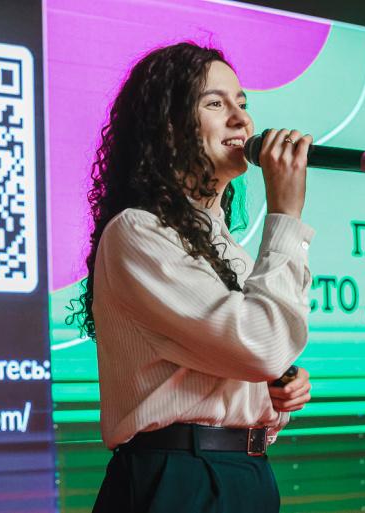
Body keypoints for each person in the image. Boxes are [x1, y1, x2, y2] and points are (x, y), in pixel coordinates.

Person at [69, 42, 315, 512]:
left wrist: (272, 392)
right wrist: (285, 215)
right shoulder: (138, 231)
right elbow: (260, 345)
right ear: (168, 126)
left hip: (246, 471)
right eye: (215, 104)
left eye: (242, 103)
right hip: (179, 478)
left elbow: (257, 354)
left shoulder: (231, 249)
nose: (242, 120)